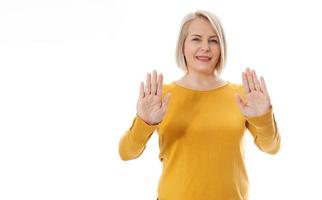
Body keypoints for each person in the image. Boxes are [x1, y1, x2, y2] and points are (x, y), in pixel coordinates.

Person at [118, 10, 281, 200]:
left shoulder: (243, 96)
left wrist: (263, 118)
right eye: (196, 39)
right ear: (183, 46)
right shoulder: (160, 97)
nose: (206, 47)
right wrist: (144, 122)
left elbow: (272, 147)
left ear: (222, 47)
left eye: (213, 40)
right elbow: (126, 153)